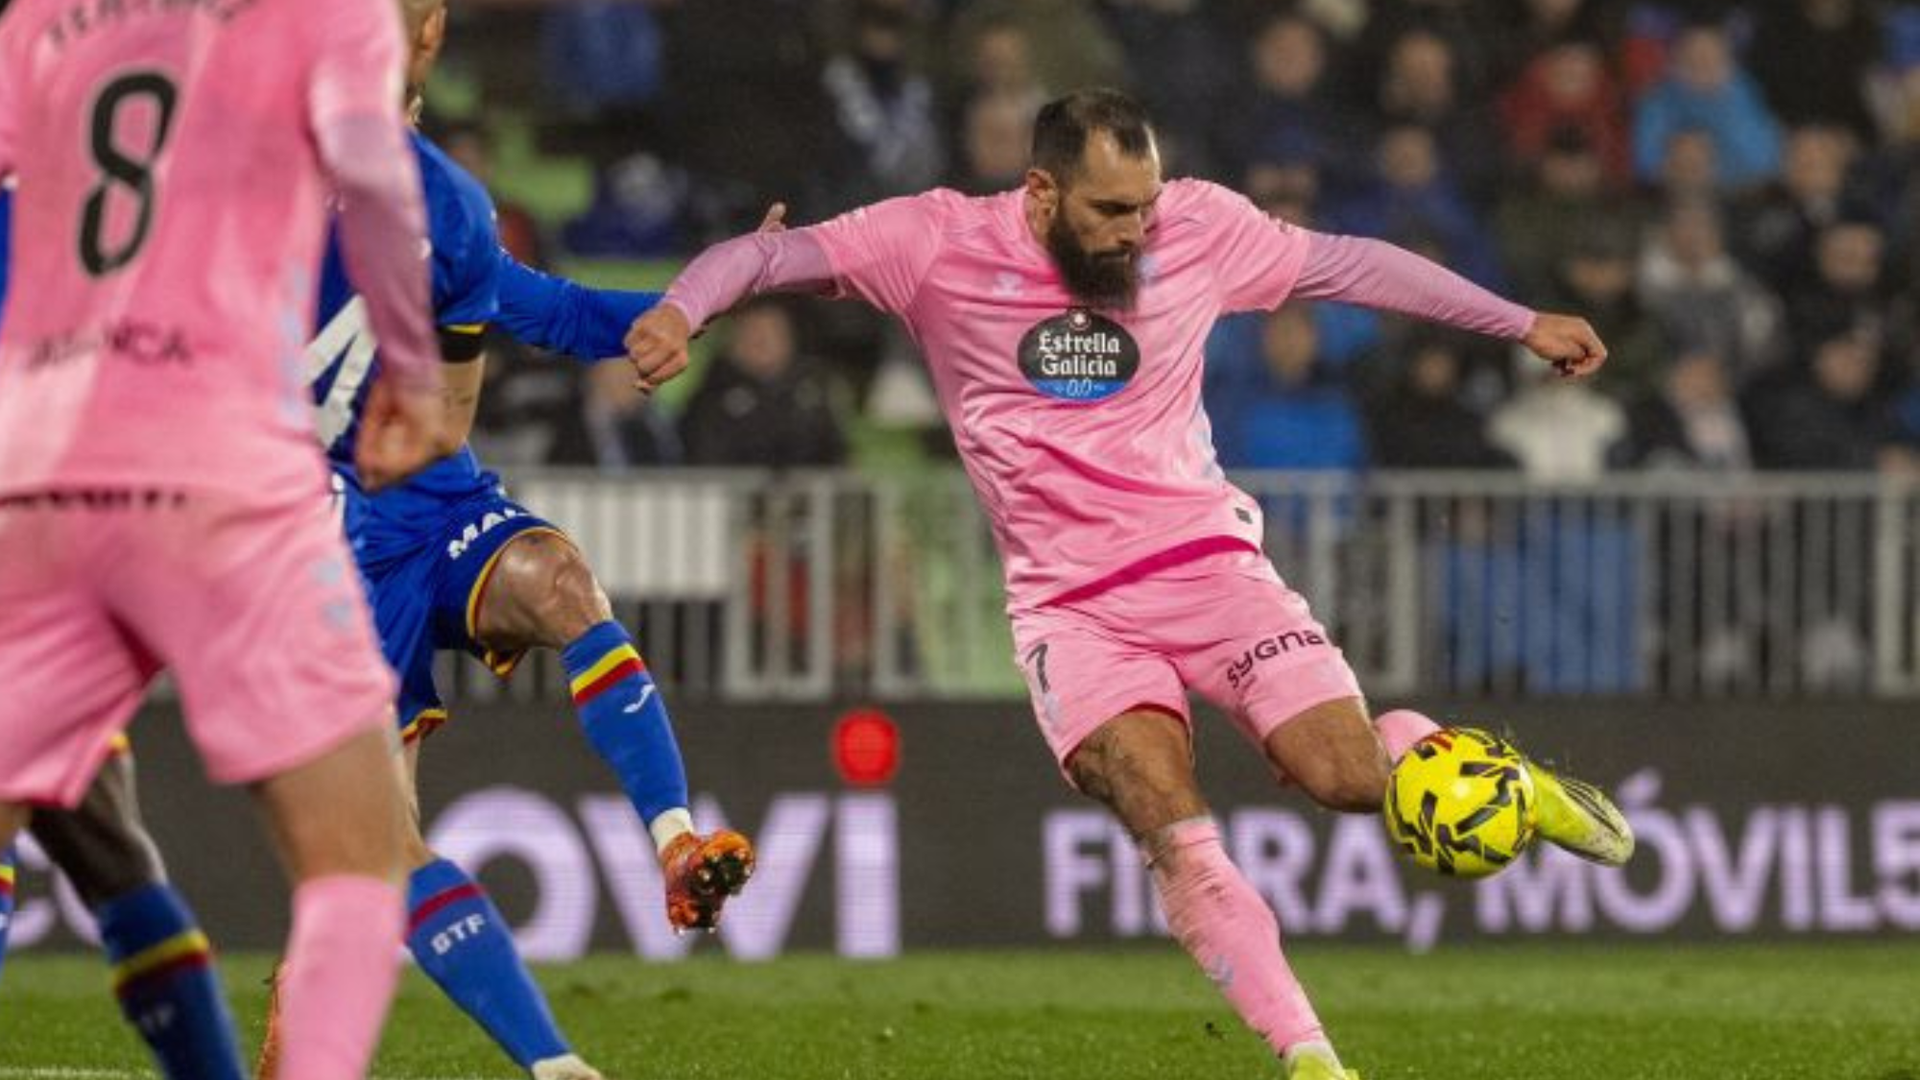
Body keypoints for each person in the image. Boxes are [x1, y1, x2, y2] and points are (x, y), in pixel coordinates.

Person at [625, 89, 1636, 1080]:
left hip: (1212, 570)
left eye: (1146, 204)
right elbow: (769, 254)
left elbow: (1350, 265)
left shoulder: (1199, 227)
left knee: (1354, 783)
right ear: (1041, 191)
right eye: (1111, 209)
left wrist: (1518, 322)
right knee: (1168, 822)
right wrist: (682, 308)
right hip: (1072, 613)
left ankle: (1512, 782)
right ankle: (1311, 1059)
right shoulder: (936, 241)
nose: (1136, 230)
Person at [264, 4, 758, 1079]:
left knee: (562, 581)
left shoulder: (447, 204)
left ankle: (676, 842)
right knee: (380, 843)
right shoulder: (254, 181)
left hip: (433, 503)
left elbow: (548, 310)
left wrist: (689, 304)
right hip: (315, 538)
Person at [0, 2, 445, 1080]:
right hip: (222, 465)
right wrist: (412, 367)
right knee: (358, 854)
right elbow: (376, 175)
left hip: (36, 471)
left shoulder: (43, 17)